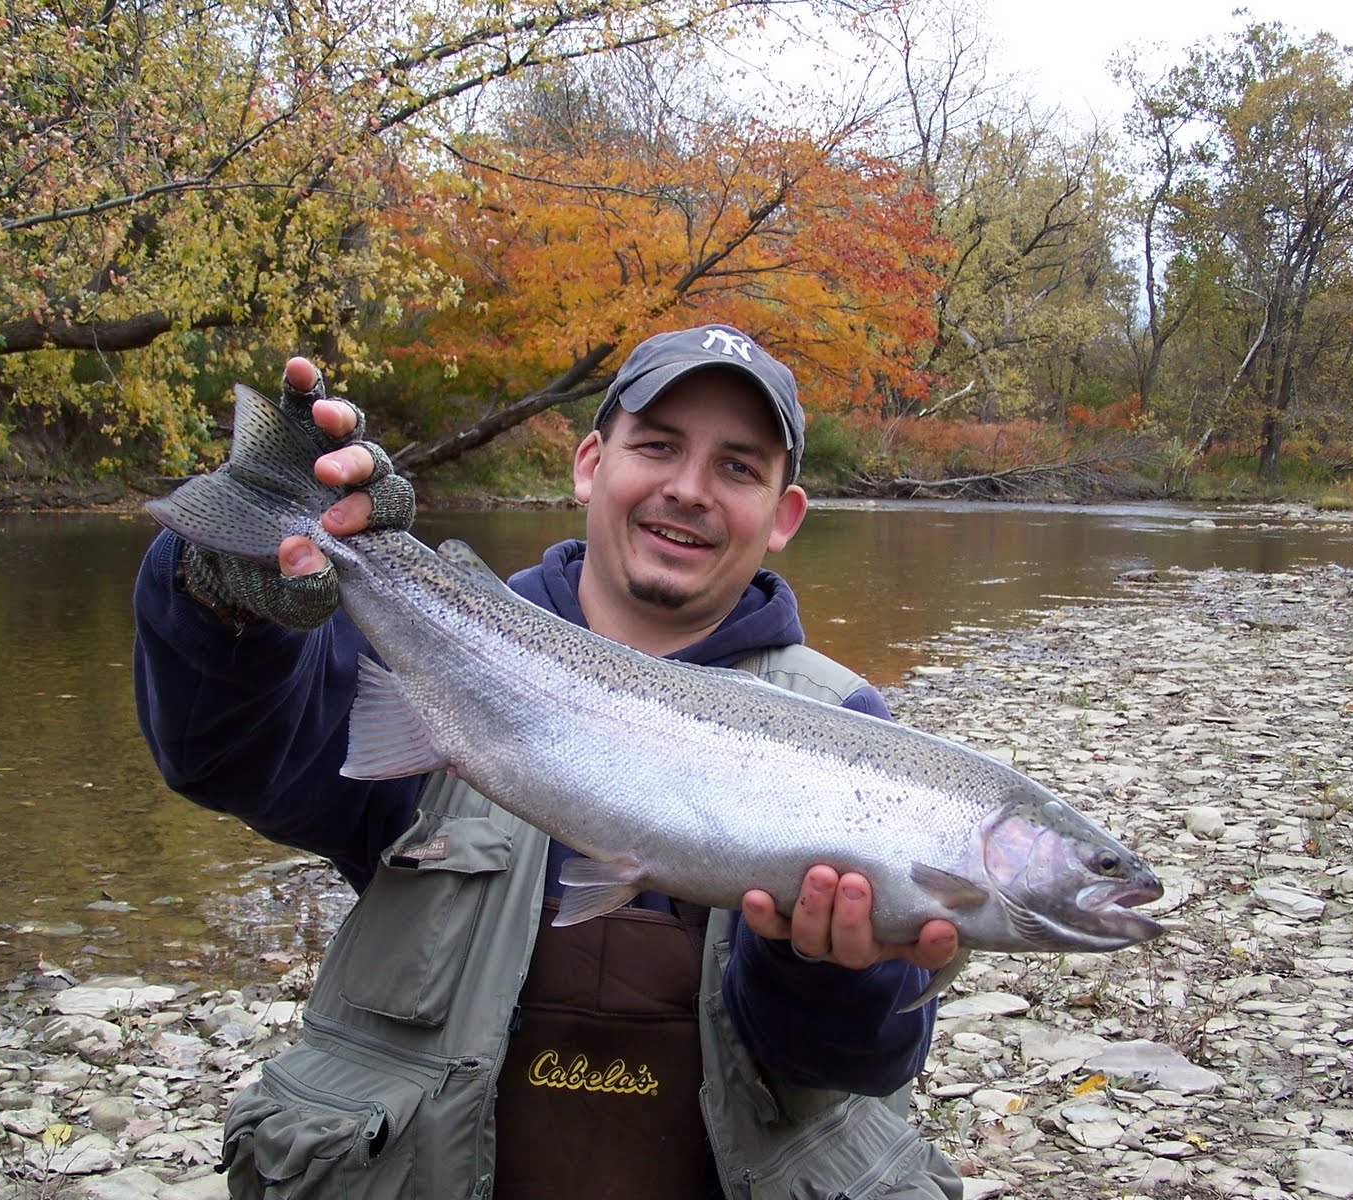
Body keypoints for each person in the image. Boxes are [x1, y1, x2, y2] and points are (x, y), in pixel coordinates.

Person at [133, 324, 964, 1199]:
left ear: (784, 515)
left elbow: (853, 1065)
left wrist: (822, 965)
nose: (689, 490)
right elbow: (222, 754)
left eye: (739, 467)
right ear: (589, 465)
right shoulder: (428, 650)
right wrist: (218, 597)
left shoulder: (848, 732)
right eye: (658, 447)